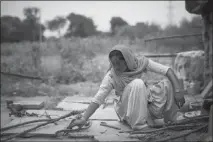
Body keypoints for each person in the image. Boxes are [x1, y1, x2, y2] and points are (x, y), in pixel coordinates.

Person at [68, 44, 186, 130]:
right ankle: (139, 125)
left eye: (118, 63)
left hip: (145, 102)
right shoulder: (111, 76)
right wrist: (84, 118)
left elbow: (168, 71)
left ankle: (170, 119)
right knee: (138, 83)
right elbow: (98, 98)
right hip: (126, 109)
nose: (115, 67)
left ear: (127, 60)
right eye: (113, 63)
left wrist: (178, 91)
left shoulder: (140, 63)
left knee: (168, 83)